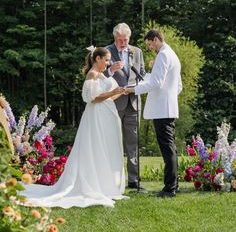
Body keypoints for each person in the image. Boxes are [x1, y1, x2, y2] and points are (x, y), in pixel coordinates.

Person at [21, 47, 129, 208]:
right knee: (96, 147)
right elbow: (92, 98)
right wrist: (112, 91)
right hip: (97, 116)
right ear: (97, 58)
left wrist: (121, 91)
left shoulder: (100, 74)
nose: (108, 63)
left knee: (105, 148)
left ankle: (105, 185)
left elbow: (109, 97)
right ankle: (92, 185)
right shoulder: (91, 74)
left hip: (107, 114)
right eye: (106, 60)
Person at [126, 29, 182, 197]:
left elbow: (157, 83)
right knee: (169, 148)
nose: (150, 47)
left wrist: (133, 90)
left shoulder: (164, 55)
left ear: (156, 39)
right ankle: (174, 185)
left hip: (162, 110)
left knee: (167, 149)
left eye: (150, 44)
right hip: (168, 107)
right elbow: (178, 87)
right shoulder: (171, 54)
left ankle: (169, 189)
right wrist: (167, 96)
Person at [104, 23, 146, 189]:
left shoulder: (137, 51)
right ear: (115, 38)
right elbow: (98, 75)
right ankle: (111, 180)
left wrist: (135, 88)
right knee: (111, 142)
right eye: (120, 40)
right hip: (113, 102)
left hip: (134, 102)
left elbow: (142, 74)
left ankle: (133, 181)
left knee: (133, 143)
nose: (123, 43)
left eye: (126, 40)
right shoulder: (106, 51)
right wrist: (111, 70)